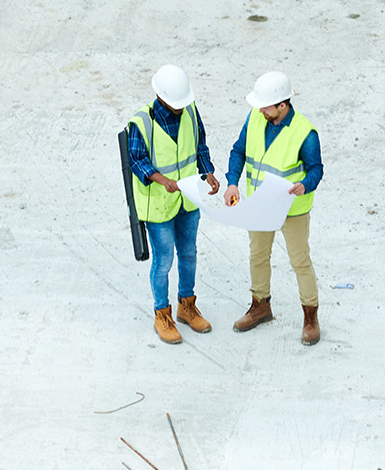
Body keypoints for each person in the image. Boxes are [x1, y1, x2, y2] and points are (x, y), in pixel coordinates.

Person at [224, 71, 325, 345]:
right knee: (257, 256)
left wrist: (305, 184)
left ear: (283, 105)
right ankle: (260, 306)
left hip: (292, 210)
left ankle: (310, 316)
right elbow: (238, 151)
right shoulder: (256, 118)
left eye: (265, 105)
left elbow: (316, 169)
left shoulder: (305, 133)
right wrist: (232, 183)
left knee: (300, 261)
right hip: (260, 205)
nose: (259, 109)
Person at [125, 64, 220, 344]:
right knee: (164, 260)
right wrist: (161, 179)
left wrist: (208, 172)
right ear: (161, 96)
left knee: (189, 253)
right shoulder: (141, 122)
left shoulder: (189, 109)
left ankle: (186, 306)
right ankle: (162, 314)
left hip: (187, 199)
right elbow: (137, 160)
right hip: (159, 205)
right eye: (175, 104)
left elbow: (199, 143)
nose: (180, 108)